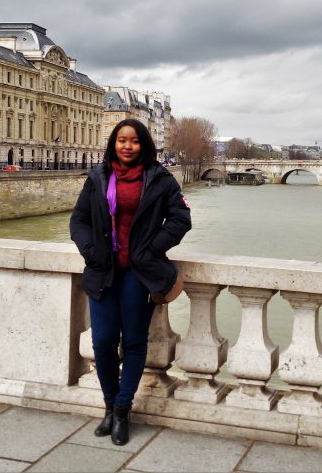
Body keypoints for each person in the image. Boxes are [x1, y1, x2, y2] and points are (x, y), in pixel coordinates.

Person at [69, 119, 192, 446]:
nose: (127, 146)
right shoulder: (98, 178)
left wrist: (151, 248)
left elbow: (181, 220)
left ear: (143, 145)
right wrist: (91, 250)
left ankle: (122, 410)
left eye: (134, 141)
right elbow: (78, 220)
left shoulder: (161, 180)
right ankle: (109, 405)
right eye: (121, 140)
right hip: (102, 271)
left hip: (138, 275)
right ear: (114, 143)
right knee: (103, 342)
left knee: (135, 342)